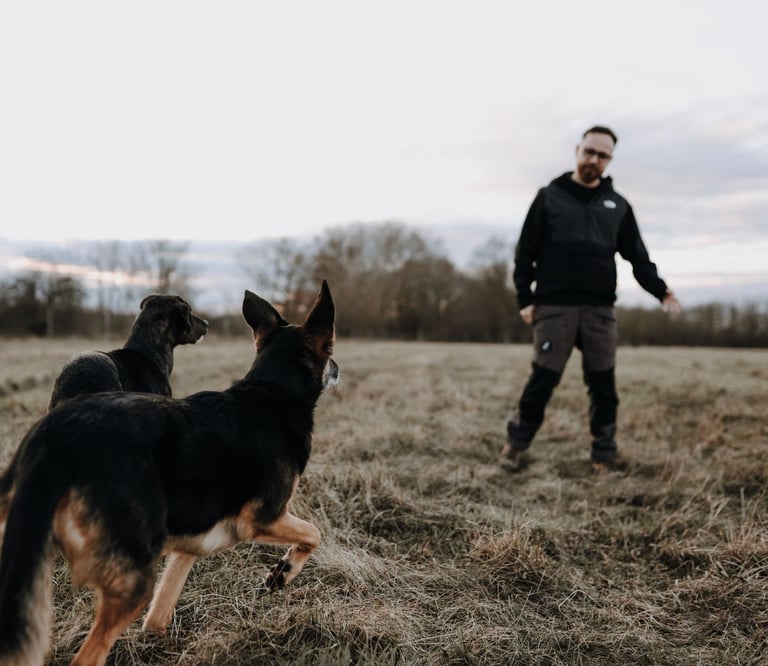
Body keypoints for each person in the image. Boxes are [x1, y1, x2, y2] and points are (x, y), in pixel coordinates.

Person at [500, 125, 681, 472]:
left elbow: (637, 257)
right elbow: (525, 254)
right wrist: (525, 298)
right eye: (589, 151)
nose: (594, 160)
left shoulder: (618, 206)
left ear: (609, 160)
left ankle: (604, 455)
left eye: (602, 155)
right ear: (577, 150)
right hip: (555, 308)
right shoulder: (548, 197)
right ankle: (515, 446)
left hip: (600, 311)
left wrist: (660, 290)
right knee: (542, 381)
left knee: (603, 386)